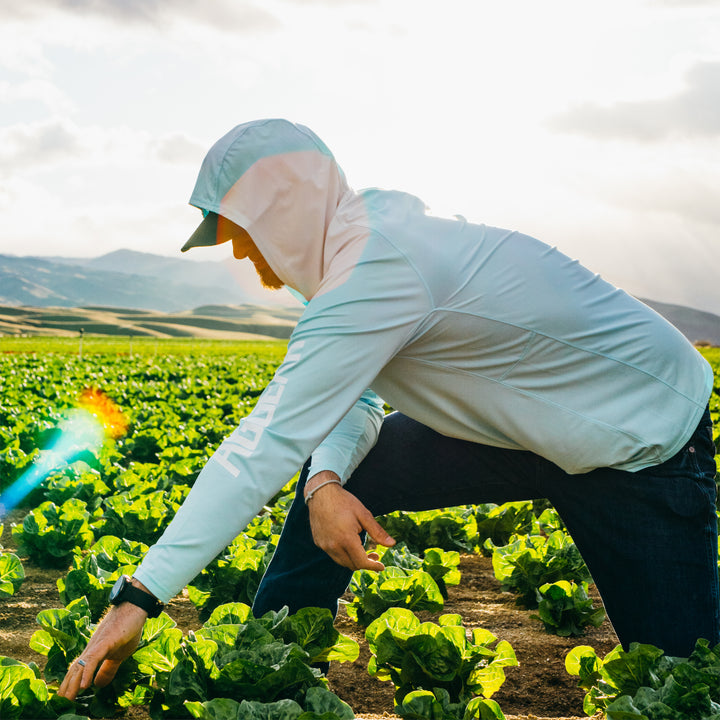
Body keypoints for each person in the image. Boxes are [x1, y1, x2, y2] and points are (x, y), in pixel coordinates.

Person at [59, 118, 717, 700]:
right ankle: (271, 672)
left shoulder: (376, 266)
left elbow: (260, 447)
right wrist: (323, 483)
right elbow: (358, 394)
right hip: (522, 430)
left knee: (685, 678)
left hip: (640, 440)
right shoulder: (364, 242)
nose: (234, 249)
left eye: (236, 228)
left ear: (283, 211)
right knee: (340, 478)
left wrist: (138, 596)